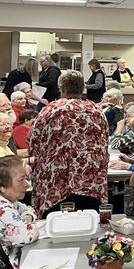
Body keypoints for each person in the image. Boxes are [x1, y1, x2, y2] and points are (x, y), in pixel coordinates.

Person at [28, 70, 109, 217]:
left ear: (62, 89)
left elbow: (33, 142)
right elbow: (105, 141)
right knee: (89, 225)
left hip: (56, 182)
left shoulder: (51, 110)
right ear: (82, 88)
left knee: (55, 225)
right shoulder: (96, 111)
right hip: (90, 179)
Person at [0, 156, 39, 269]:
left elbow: (28, 209)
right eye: (21, 180)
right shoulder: (3, 210)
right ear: (2, 186)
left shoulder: (10, 201)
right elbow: (28, 235)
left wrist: (27, 219)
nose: (26, 184)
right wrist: (28, 223)